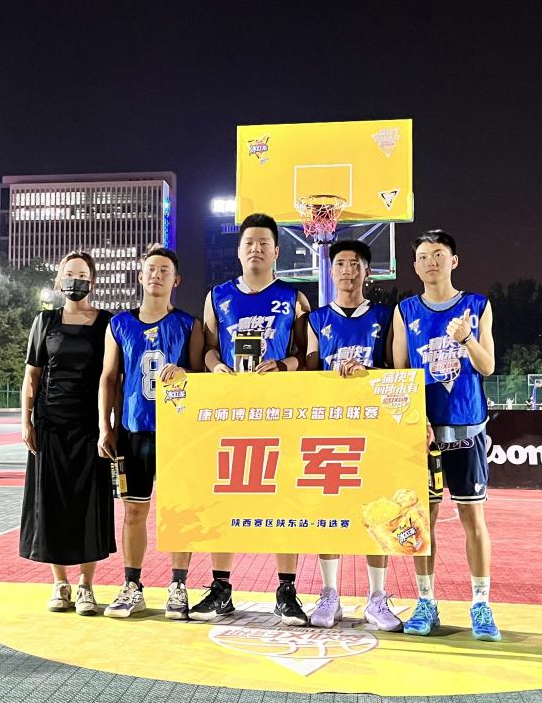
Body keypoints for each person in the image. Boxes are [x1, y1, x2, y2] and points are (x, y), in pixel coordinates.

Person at [189, 213, 312, 626]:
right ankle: (221, 588)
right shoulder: (218, 296)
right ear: (238, 251)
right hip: (231, 413)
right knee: (223, 497)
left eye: (264, 243)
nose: (256, 249)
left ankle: (286, 590)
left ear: (276, 251)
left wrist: (283, 365)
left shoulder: (294, 298)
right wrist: (216, 367)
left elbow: (307, 356)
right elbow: (208, 349)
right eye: (249, 243)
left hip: (279, 412)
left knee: (285, 498)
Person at [392, 230, 501, 641]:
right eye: (423, 256)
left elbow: (488, 367)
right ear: (415, 265)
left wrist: (466, 338)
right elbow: (400, 374)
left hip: (467, 427)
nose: (431, 262)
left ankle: (481, 604)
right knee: (423, 522)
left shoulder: (478, 305)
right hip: (424, 433)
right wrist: (413, 420)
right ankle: (426, 602)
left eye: (438, 254)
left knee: (473, 518)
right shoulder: (405, 310)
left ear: (453, 261)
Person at [97, 245, 204, 620]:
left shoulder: (188, 324)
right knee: (133, 511)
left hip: (178, 432)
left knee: (180, 510)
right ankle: (132, 586)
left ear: (176, 280)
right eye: (151, 269)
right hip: (133, 429)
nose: (157, 275)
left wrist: (187, 374)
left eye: (164, 270)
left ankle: (178, 585)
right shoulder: (119, 324)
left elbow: (202, 374)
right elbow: (109, 378)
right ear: (140, 277)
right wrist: (105, 427)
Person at [304, 240, 401, 631]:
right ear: (331, 272)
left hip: (373, 427)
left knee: (377, 510)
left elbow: (397, 369)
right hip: (328, 429)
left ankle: (377, 597)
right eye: (341, 264)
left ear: (367, 272)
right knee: (328, 512)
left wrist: (368, 373)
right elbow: (308, 374)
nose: (347, 270)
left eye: (355, 264)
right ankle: (330, 593)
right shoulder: (315, 320)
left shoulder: (385, 316)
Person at [19, 251, 116, 616]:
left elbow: (112, 377)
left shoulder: (106, 323)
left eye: (82, 274)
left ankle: (86, 585)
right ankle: (60, 584)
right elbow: (32, 377)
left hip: (90, 427)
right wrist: (27, 421)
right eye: (69, 273)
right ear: (59, 280)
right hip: (50, 427)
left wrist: (108, 425)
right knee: (52, 505)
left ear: (92, 281)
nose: (75, 280)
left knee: (89, 505)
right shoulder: (44, 321)